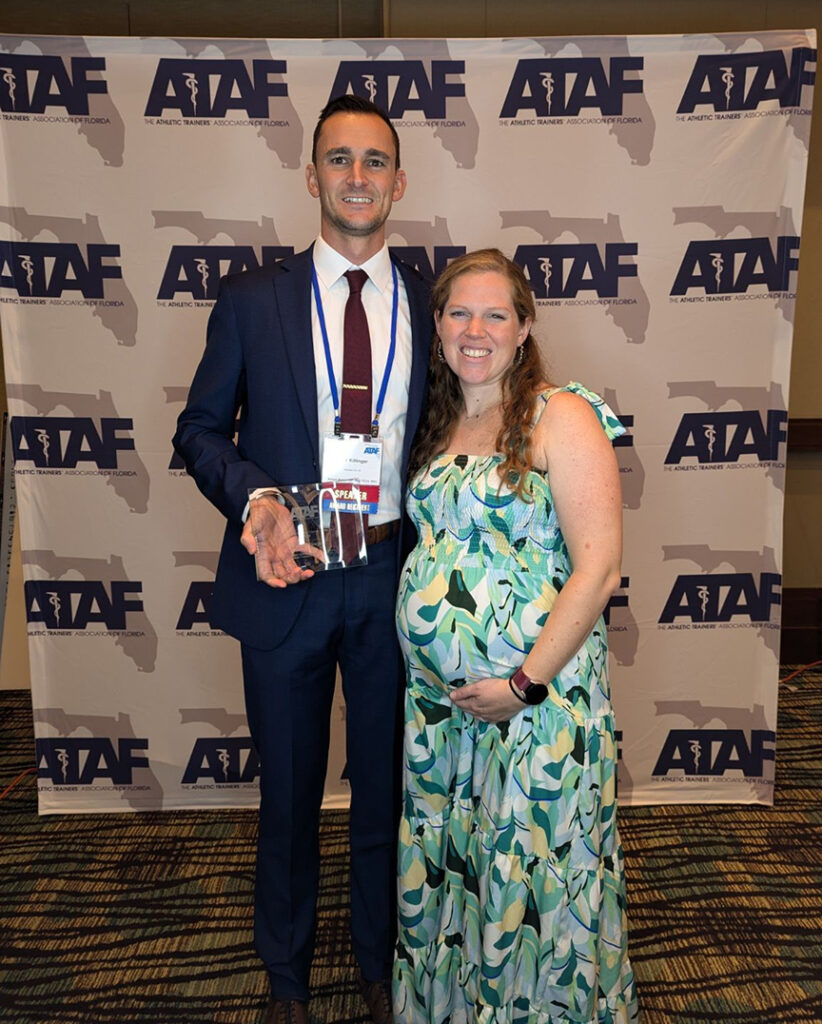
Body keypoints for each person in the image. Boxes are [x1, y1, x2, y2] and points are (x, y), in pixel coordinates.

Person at [173, 95, 431, 1024]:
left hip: (393, 582)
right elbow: (198, 430)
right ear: (312, 175)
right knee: (286, 796)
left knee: (384, 794)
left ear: (399, 182)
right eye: (338, 159)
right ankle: (285, 978)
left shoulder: (432, 300)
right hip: (288, 576)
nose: (356, 176)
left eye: (374, 161)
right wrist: (257, 497)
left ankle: (375, 965)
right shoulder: (252, 299)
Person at [393, 249, 639, 1023]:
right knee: (464, 877)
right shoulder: (439, 420)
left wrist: (523, 684)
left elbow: (597, 569)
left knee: (533, 886)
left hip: (537, 709)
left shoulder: (559, 415)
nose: (476, 329)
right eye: (458, 313)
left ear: (525, 327)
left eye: (496, 313)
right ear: (436, 329)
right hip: (446, 719)